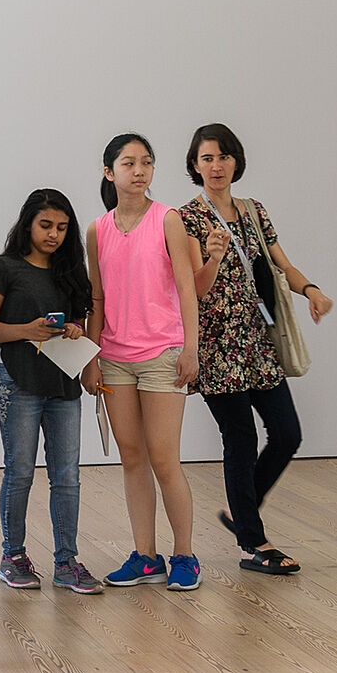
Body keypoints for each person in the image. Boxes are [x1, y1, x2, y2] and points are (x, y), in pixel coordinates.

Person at [179, 124, 333, 574]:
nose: (216, 166)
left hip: (258, 343)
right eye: (207, 158)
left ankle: (241, 510)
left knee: (287, 434)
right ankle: (253, 542)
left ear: (236, 162)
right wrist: (212, 255)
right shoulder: (188, 218)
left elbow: (282, 264)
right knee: (241, 439)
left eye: (224, 157)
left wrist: (312, 291)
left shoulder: (253, 211)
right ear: (194, 165)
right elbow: (197, 289)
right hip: (217, 344)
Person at [85, 133, 203, 590]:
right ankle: (146, 556)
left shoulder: (168, 220)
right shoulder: (98, 229)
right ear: (109, 171)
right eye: (129, 163)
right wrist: (91, 358)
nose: (140, 171)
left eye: (147, 162)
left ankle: (185, 556)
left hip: (163, 355)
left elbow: (187, 289)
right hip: (114, 359)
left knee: (164, 458)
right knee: (132, 457)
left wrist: (190, 348)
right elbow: (97, 296)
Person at [0, 189, 102, 593]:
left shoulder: (70, 271)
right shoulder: (5, 267)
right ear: (28, 223)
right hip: (19, 383)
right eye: (46, 225)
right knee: (20, 473)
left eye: (62, 228)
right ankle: (12, 555)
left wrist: (73, 329)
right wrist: (26, 331)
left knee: (67, 477)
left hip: (63, 384)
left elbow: (82, 320)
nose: (54, 235)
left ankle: (67, 562)